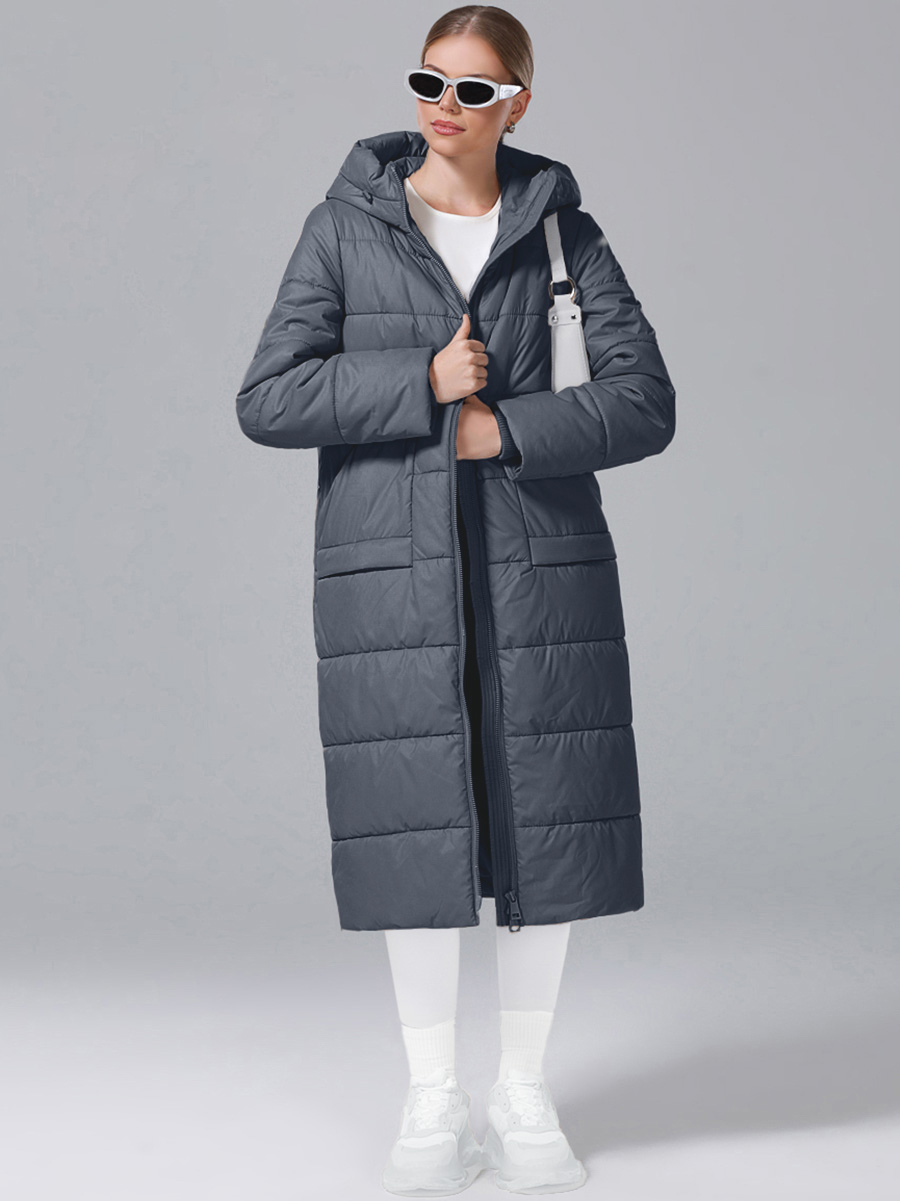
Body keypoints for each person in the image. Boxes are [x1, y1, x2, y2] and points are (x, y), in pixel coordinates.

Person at [235, 5, 676, 1194]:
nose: (446, 106)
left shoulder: (564, 233)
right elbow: (269, 398)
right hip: (392, 571)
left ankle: (522, 1089)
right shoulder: (345, 227)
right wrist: (422, 384)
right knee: (415, 821)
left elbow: (646, 401)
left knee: (546, 816)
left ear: (518, 102)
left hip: (542, 568)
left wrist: (502, 430)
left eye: (475, 90)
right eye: (430, 81)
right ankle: (433, 1094)